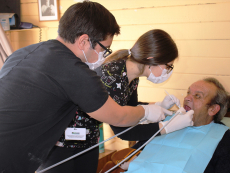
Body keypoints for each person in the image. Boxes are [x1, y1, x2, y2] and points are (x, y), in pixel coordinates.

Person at [0, 2, 175, 173]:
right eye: (104, 49)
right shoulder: (75, 72)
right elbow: (119, 118)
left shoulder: (23, 53)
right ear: (84, 41)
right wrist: (147, 112)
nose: (104, 55)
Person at [38, 29, 194, 173]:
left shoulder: (130, 76)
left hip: (88, 139)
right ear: (152, 59)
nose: (168, 71)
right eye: (168, 66)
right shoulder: (113, 75)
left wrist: (157, 106)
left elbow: (130, 109)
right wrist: (167, 127)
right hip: (62, 144)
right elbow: (125, 130)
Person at [101, 77, 230, 173]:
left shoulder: (223, 138)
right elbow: (135, 151)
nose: (187, 98)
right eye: (188, 92)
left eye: (197, 96)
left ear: (213, 109)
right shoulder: (169, 121)